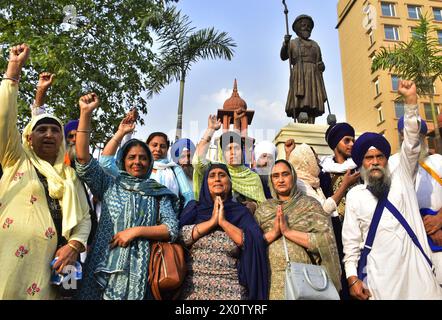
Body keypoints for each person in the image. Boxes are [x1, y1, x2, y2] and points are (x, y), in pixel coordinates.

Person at [0, 44, 91, 299]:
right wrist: (13, 70)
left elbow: (84, 219)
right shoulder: (15, 159)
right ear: (29, 138)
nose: (49, 134)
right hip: (8, 265)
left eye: (55, 130)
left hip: (52, 270)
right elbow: (4, 118)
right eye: (42, 129)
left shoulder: (70, 176)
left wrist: (74, 245)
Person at [343, 80, 442, 300]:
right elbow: (350, 242)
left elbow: (412, 143)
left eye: (380, 157)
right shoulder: (355, 196)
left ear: (387, 160)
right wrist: (352, 278)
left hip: (420, 281)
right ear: (361, 164)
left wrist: (410, 102)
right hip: (381, 284)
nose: (375, 162)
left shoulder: (403, 178)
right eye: (369, 158)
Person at [74, 93, 179, 300]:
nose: (137, 162)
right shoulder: (109, 185)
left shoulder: (158, 192)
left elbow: (171, 229)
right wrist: (85, 114)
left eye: (142, 158)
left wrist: (135, 232)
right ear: (123, 161)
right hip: (102, 268)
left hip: (140, 273)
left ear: (150, 163)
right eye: (131, 157)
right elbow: (83, 159)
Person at [179, 163, 268, 300]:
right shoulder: (194, 209)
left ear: (229, 182)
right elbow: (179, 237)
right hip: (193, 290)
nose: (217, 179)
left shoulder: (241, 212)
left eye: (222, 175)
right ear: (205, 183)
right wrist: (211, 223)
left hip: (231, 290)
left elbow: (254, 241)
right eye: (212, 176)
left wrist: (224, 223)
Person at [254, 159, 341, 300]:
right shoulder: (263, 210)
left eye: (285, 174)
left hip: (306, 280)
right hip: (271, 282)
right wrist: (274, 232)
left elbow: (327, 241)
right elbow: (254, 245)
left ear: (293, 177)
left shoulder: (310, 205)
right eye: (275, 176)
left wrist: (288, 232)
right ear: (270, 180)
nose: (280, 180)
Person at [389, 117, 442, 285]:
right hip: (408, 241)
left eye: (417, 136)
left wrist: (439, 219)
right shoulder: (391, 164)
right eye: (407, 136)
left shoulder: (438, 162)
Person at [99, 123, 194, 211]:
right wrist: (121, 132)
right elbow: (106, 163)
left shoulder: (174, 169)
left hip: (167, 223)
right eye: (154, 145)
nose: (158, 149)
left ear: (167, 149)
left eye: (162, 146)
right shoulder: (136, 168)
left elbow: (188, 195)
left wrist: (183, 217)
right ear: (147, 146)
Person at [193, 115, 266, 215]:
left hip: (243, 222)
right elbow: (197, 162)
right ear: (222, 153)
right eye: (228, 149)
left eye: (236, 148)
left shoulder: (253, 177)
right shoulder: (216, 171)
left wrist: (254, 205)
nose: (233, 152)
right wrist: (210, 130)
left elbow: (263, 204)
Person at [280, 14, 327, 124]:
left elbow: (320, 62)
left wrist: (321, 66)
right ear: (297, 29)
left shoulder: (315, 45)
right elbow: (283, 56)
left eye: (309, 26)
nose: (306, 27)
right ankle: (301, 117)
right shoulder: (293, 43)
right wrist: (285, 43)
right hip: (299, 74)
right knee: (301, 99)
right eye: (303, 25)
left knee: (312, 99)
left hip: (313, 75)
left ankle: (311, 120)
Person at [288, 143, 339, 215]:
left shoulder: (312, 181)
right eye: (315, 159)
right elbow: (324, 209)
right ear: (307, 162)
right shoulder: (299, 183)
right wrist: (345, 185)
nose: (318, 162)